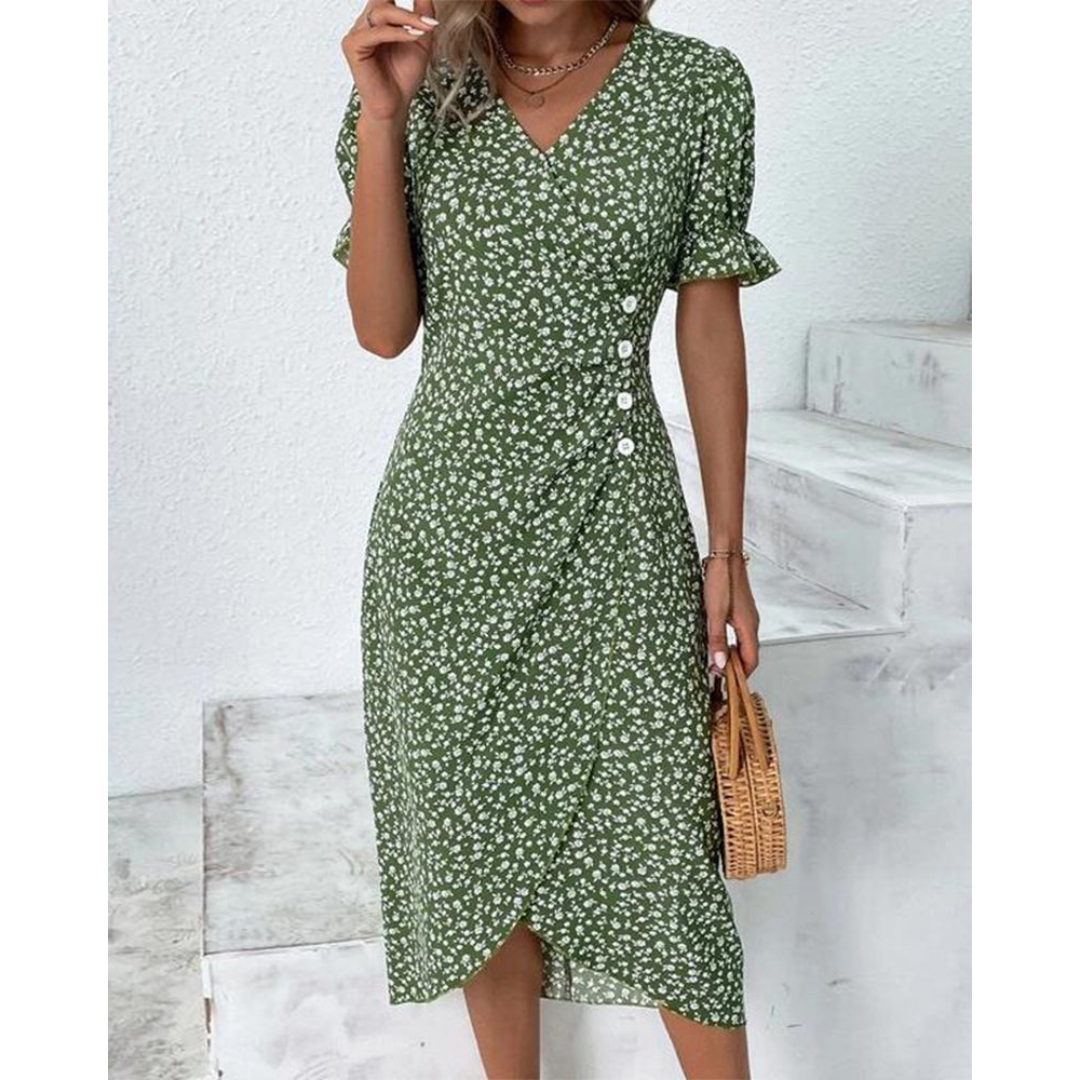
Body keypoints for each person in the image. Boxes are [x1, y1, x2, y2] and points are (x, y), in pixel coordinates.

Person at [334, 1, 782, 1077]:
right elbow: (384, 331)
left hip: (617, 525)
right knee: (475, 859)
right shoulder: (416, 88)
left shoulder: (694, 87)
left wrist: (726, 552)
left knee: (663, 856)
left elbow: (709, 318)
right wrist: (384, 115)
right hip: (445, 542)